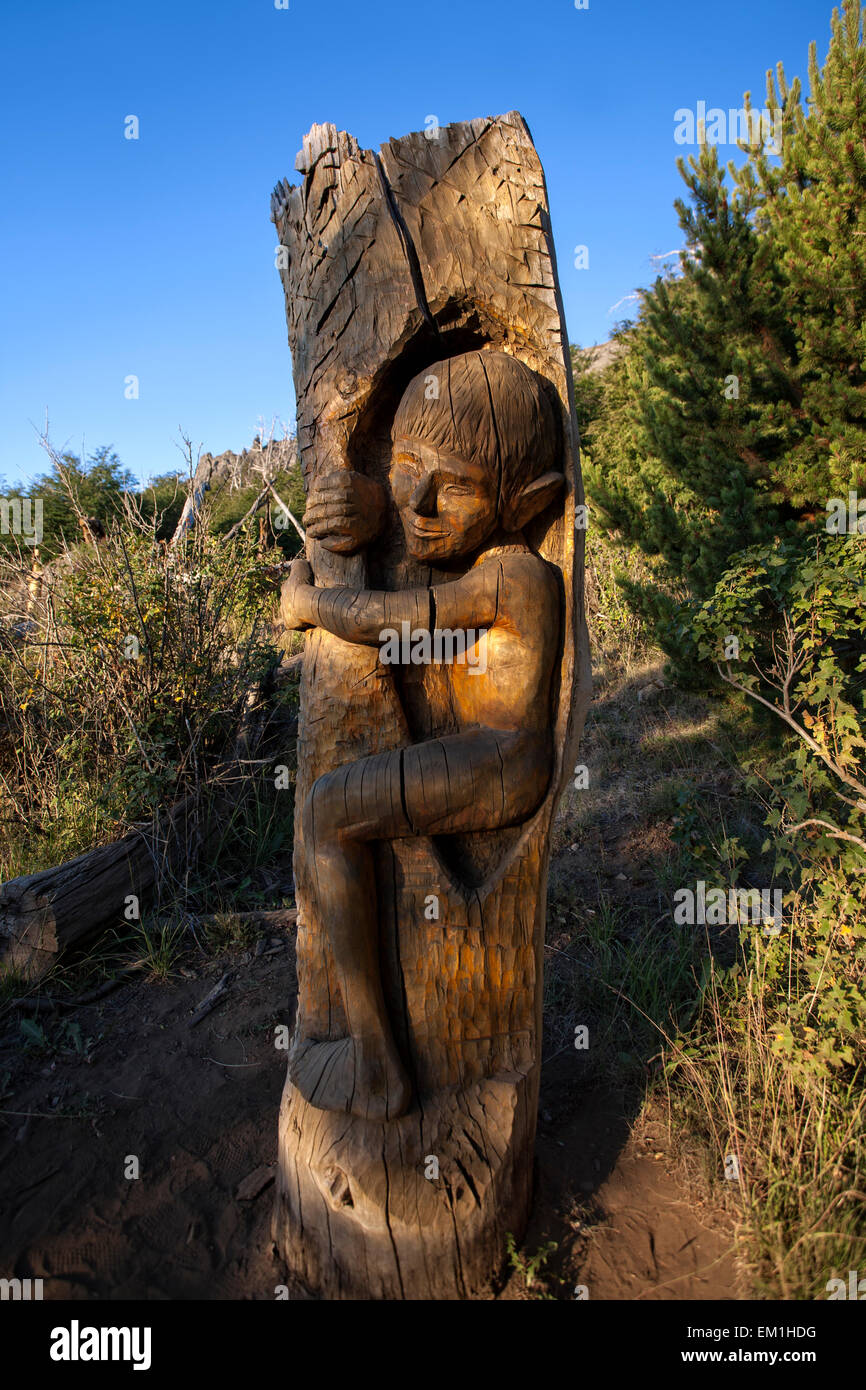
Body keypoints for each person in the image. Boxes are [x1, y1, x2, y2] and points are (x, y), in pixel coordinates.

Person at [280, 351, 564, 1119]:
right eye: (407, 467)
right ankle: (374, 1045)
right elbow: (421, 624)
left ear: (531, 500)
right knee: (334, 808)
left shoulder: (518, 577)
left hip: (503, 764)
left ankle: (377, 1060)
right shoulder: (486, 565)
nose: (421, 503)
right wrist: (377, 511)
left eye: (458, 486)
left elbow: (391, 624)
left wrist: (308, 602)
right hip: (481, 754)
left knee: (329, 812)